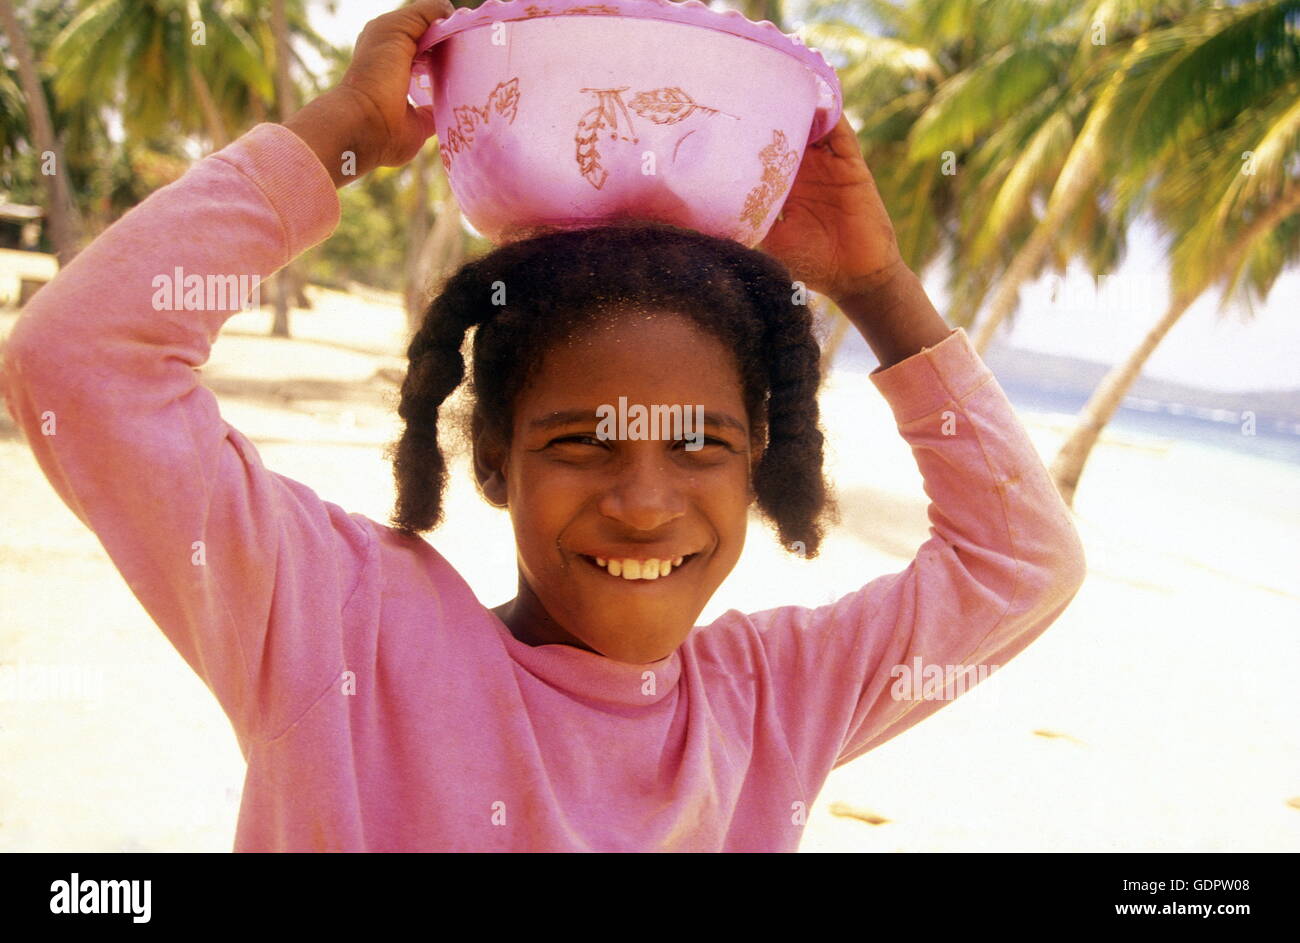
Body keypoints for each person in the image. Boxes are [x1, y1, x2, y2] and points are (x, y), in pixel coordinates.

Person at [0, 0, 1086, 851]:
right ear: (493, 456)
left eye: (698, 444)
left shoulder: (771, 707)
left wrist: (877, 282)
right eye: (583, 442)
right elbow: (79, 362)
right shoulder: (339, 634)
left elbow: (1024, 561)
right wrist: (335, 139)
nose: (645, 501)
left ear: (758, 458)